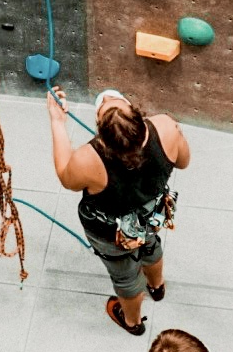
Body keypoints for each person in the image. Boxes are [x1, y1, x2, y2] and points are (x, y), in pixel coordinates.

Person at [47, 87, 191, 336]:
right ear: (138, 117)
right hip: (152, 212)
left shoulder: (88, 159)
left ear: (101, 136)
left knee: (124, 275)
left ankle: (133, 322)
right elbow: (183, 162)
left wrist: (57, 121)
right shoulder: (165, 127)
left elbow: (65, 177)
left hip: (110, 230)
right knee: (150, 244)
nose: (106, 97)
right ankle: (156, 286)